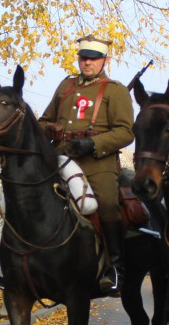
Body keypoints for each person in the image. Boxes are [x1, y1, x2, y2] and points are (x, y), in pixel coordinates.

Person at [40, 35, 134, 293]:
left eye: (93, 58)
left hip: (97, 163)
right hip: (60, 156)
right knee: (29, 193)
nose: (87, 62)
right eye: (83, 57)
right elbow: (44, 120)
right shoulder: (65, 85)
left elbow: (126, 132)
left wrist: (93, 144)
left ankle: (115, 267)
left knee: (107, 203)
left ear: (105, 60)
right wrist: (48, 129)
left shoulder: (115, 91)